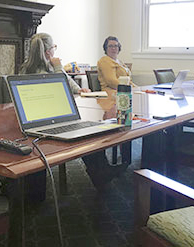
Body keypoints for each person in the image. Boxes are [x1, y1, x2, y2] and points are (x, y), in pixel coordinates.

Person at [17, 33, 125, 191]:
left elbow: (69, 83)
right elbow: (60, 87)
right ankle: (100, 173)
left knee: (89, 129)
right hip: (50, 119)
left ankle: (101, 172)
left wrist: (79, 89)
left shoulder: (31, 68)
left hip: (54, 116)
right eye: (53, 47)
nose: (54, 51)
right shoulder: (43, 70)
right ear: (48, 52)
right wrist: (58, 68)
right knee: (88, 133)